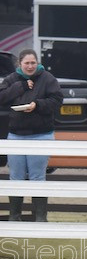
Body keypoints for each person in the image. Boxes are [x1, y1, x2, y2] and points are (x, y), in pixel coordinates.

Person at [0, 49, 63, 221]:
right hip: (16, 135)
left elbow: (57, 101)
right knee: (16, 177)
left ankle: (40, 218)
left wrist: (37, 105)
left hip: (41, 135)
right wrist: (19, 87)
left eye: (33, 63)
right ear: (19, 63)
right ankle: (14, 216)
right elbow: (2, 98)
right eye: (26, 63)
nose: (30, 66)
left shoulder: (48, 79)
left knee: (37, 177)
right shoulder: (11, 79)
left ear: (37, 62)